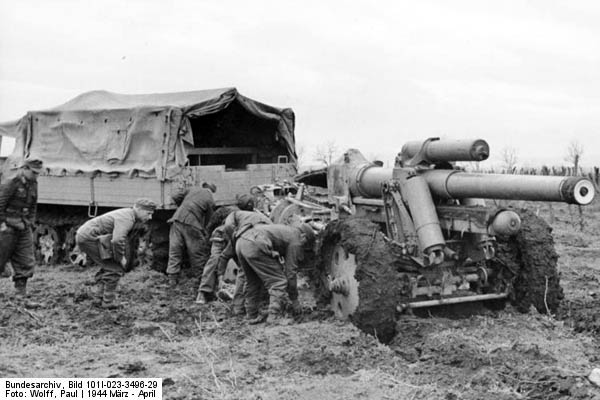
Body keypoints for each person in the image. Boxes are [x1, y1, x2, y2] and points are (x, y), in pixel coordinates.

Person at [75, 198, 156, 309]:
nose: (150, 217)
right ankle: (108, 302)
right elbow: (117, 240)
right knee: (114, 267)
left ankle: (99, 298)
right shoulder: (127, 218)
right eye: (148, 213)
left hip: (88, 235)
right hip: (89, 237)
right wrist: (120, 257)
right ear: (139, 209)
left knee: (108, 265)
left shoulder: (129, 215)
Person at [235, 222, 315, 324]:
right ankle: (274, 317)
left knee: (252, 281)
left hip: (241, 242)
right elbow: (291, 273)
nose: (303, 246)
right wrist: (294, 300)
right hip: (256, 243)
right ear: (303, 236)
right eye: (306, 243)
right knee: (279, 282)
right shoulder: (297, 240)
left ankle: (251, 315)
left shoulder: (287, 230)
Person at [195, 194, 256, 305]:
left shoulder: (251, 214)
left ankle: (237, 290)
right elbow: (214, 223)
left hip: (237, 238)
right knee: (215, 260)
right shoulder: (232, 212)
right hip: (222, 236)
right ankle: (203, 291)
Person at [0, 158, 43, 300]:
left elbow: (33, 206)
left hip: (23, 226)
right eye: (34, 172)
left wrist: (30, 222)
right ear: (24, 168)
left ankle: (20, 293)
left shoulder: (33, 184)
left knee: (26, 259)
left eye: (38, 173)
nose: (36, 175)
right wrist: (2, 224)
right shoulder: (11, 182)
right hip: (7, 226)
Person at [166, 182, 216, 287]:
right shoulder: (210, 199)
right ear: (211, 191)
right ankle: (200, 280)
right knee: (197, 253)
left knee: (175, 250)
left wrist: (181, 205)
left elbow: (175, 195)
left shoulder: (192, 189)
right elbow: (210, 221)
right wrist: (206, 233)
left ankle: (172, 279)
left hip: (176, 219)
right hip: (192, 224)